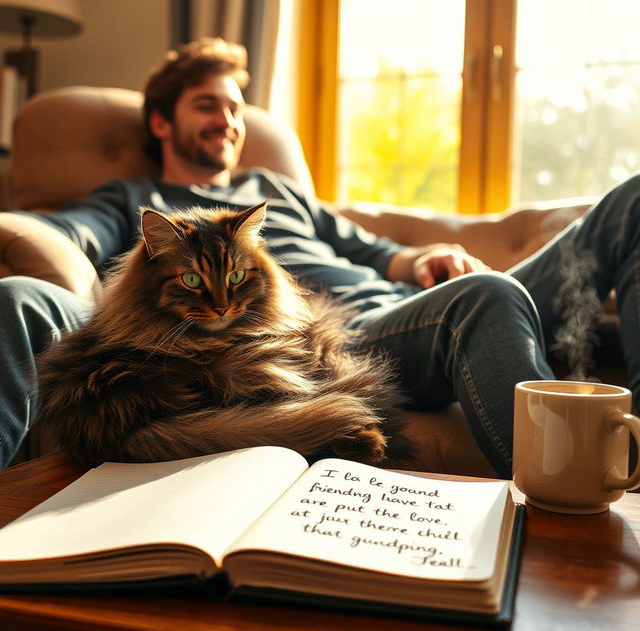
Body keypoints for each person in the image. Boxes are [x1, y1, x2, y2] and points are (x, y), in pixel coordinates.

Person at [1, 37, 639, 478]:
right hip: (338, 339)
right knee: (490, 297)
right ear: (162, 123)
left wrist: (420, 256)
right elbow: (62, 235)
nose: (227, 118)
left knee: (631, 202)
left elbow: (370, 249)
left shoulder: (274, 193)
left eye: (234, 107)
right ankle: (559, 511)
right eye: (207, 106)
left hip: (413, 304)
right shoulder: (136, 199)